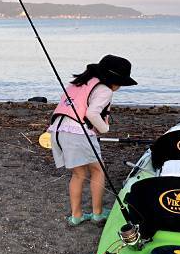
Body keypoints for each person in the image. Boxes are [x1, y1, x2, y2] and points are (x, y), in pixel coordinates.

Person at [47, 55, 137, 226]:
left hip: (58, 130)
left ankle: (76, 216)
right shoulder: (105, 90)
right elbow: (91, 114)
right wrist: (105, 129)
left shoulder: (78, 83)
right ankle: (97, 213)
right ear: (115, 80)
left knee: (79, 174)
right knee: (98, 170)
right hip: (77, 133)